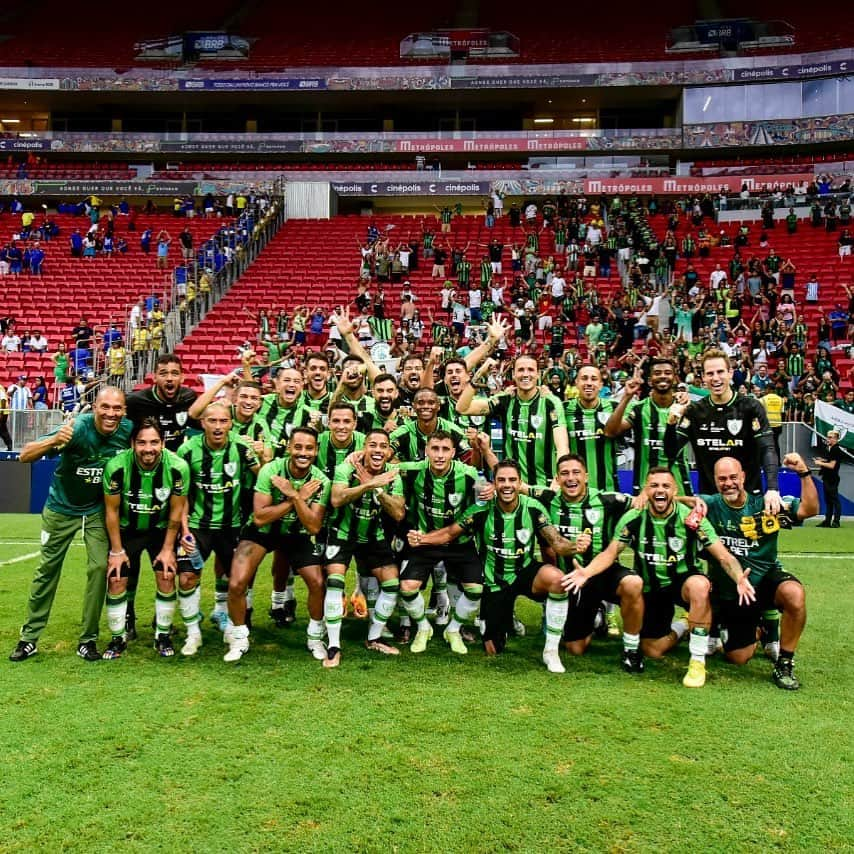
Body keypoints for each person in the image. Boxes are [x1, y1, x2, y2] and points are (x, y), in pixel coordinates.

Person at [565, 467, 746, 688]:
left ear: (675, 490)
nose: (660, 490)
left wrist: (739, 578)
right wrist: (586, 572)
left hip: (682, 582)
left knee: (700, 585)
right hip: (651, 588)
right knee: (652, 650)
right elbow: (611, 552)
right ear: (645, 490)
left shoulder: (690, 518)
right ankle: (685, 625)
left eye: (666, 486)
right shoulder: (633, 518)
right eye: (654, 486)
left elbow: (724, 556)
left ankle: (697, 661)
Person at [413, 459, 577, 674]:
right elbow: (450, 533)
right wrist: (422, 539)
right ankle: (507, 621)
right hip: (495, 581)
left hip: (524, 572)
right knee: (493, 649)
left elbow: (556, 542)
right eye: (501, 480)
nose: (507, 485)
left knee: (557, 579)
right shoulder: (480, 510)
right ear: (494, 484)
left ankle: (551, 652)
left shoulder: (533, 508)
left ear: (519, 483)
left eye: (512, 480)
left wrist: (575, 546)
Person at [10, 387, 133, 663]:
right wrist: (54, 439)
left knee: (100, 567)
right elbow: (24, 455)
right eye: (105, 407)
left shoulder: (128, 430)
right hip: (61, 507)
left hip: (97, 510)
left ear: (124, 411)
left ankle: (88, 640)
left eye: (117, 408)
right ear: (95, 406)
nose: (111, 413)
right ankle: (29, 638)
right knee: (47, 570)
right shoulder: (77, 428)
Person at [698, 455, 816, 690]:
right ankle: (761, 627)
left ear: (743, 477)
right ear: (715, 480)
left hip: (765, 580)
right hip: (734, 590)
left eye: (733, 477)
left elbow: (810, 509)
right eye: (722, 479)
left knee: (794, 594)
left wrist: (803, 472)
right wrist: (693, 503)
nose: (728, 483)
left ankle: (784, 663)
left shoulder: (766, 505)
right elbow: (677, 500)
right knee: (738, 658)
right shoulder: (709, 504)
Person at [224, 427, 330, 663]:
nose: (303, 453)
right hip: (261, 532)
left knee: (317, 582)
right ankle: (239, 637)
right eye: (298, 447)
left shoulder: (321, 480)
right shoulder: (270, 471)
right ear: (290, 448)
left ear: (316, 451)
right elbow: (260, 516)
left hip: (297, 533)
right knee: (236, 582)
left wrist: (293, 495)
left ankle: (314, 638)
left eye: (309, 448)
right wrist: (298, 498)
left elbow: (313, 527)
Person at [528, 454, 642, 670]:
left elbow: (642, 501)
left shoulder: (608, 500)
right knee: (576, 648)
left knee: (633, 583)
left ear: (586, 476)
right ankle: (596, 615)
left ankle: (631, 650)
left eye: (576, 472)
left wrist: (694, 501)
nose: (571, 478)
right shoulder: (547, 498)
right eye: (565, 473)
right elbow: (515, 485)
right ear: (557, 479)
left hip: (605, 572)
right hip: (574, 580)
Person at [102, 418, 191, 659]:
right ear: (132, 443)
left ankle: (162, 636)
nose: (148, 448)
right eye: (141, 442)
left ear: (162, 443)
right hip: (127, 529)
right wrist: (117, 551)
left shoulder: (178, 467)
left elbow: (176, 512)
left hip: (161, 529)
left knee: (166, 573)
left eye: (154, 442)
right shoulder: (117, 466)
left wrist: (168, 549)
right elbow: (110, 511)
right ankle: (117, 639)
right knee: (117, 578)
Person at [322, 430, 406, 668]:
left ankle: (374, 638)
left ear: (389, 451)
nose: (378, 450)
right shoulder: (346, 469)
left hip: (373, 535)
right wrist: (368, 484)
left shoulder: (392, 476)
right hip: (342, 533)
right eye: (373, 445)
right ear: (364, 447)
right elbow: (337, 499)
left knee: (391, 584)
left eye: (383, 446)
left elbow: (398, 512)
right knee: (335, 581)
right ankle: (334, 646)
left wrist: (378, 489)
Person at [177, 401, 260, 640]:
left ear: (231, 424)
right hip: (197, 526)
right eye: (212, 421)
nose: (217, 426)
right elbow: (180, 495)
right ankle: (193, 632)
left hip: (231, 525)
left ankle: (222, 614)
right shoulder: (188, 451)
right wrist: (184, 530)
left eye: (223, 421)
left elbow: (262, 476)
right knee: (186, 577)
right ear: (202, 423)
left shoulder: (242, 447)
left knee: (231, 577)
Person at [398, 432, 485, 654]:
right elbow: (381, 462)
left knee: (475, 590)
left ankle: (453, 629)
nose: (439, 455)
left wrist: (489, 488)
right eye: (434, 448)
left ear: (453, 453)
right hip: (425, 544)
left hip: (459, 542)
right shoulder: (413, 469)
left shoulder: (469, 475)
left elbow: (484, 496)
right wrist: (356, 457)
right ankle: (423, 627)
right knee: (407, 588)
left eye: (445, 449)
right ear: (426, 450)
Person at [665, 348, 782, 514]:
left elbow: (768, 448)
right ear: (704, 377)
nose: (716, 378)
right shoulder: (695, 411)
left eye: (720, 372)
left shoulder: (751, 407)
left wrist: (772, 488)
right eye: (710, 373)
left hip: (748, 501)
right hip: (710, 503)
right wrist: (671, 424)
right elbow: (670, 452)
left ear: (730, 373)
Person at [455, 354, 569, 485]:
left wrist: (558, 479)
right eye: (521, 370)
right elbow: (462, 408)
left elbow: (562, 447)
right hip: (510, 486)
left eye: (530, 370)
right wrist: (481, 372)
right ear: (513, 374)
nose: (526, 374)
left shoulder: (551, 403)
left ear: (538, 374)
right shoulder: (506, 399)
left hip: (543, 487)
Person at [605, 357, 692, 494]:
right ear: (650, 380)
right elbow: (610, 432)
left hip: (679, 488)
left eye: (667, 373)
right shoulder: (639, 409)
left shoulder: (686, 408)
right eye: (657, 373)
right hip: (644, 489)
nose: (663, 376)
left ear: (675, 378)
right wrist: (627, 396)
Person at [125, 353, 199, 452]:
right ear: (155, 377)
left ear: (182, 377)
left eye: (175, 373)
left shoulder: (189, 397)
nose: (169, 378)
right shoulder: (134, 401)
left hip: (176, 460)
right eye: (163, 374)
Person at [814, 430, 843, 527]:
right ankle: (827, 521)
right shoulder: (830, 449)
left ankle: (836, 521)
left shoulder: (836, 449)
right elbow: (830, 460)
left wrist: (820, 463)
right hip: (827, 477)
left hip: (832, 478)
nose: (828, 439)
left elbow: (832, 465)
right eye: (828, 437)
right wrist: (822, 460)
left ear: (836, 439)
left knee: (834, 500)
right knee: (828, 500)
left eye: (830, 437)